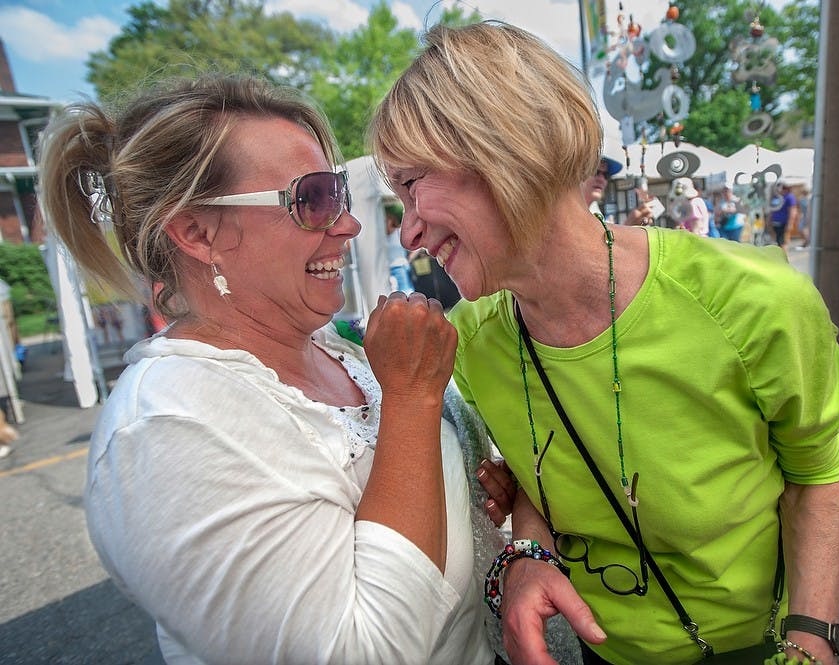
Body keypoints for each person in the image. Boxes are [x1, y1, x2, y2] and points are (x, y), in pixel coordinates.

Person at [370, 22, 839, 665]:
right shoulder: (472, 341)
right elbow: (539, 470)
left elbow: (816, 474)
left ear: (501, 150)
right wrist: (527, 553)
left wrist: (810, 639)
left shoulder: (755, 300)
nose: (407, 235)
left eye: (410, 186)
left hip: (756, 646)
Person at [38, 74, 498, 665]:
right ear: (196, 233)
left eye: (338, 193)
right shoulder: (163, 432)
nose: (349, 224)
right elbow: (362, 652)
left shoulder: (340, 347)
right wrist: (412, 397)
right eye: (312, 199)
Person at [580, 157, 657, 226]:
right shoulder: (570, 211)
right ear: (578, 173)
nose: (601, 179)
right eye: (595, 172)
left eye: (606, 175)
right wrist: (628, 227)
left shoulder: (595, 211)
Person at [385, 202, 416, 293]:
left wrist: (409, 259)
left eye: (386, 220)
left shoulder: (399, 232)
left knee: (405, 291)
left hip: (400, 266)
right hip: (388, 269)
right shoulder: (381, 236)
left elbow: (417, 247)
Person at [768, 182, 798, 252]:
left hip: (783, 223)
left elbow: (792, 211)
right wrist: (769, 220)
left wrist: (790, 224)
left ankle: (783, 259)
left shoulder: (789, 197)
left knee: (782, 242)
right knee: (776, 241)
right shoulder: (776, 197)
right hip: (774, 222)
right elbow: (772, 210)